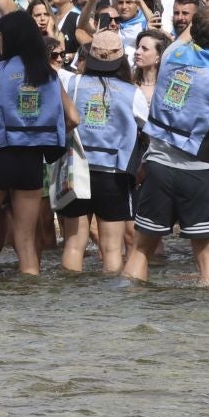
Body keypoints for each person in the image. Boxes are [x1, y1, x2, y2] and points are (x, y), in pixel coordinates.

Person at [123, 4, 209, 287]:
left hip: (157, 165)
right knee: (207, 260)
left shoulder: (169, 56)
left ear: (192, 30)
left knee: (141, 250)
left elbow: (184, 35)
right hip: (198, 172)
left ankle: (126, 313)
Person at [0, 11, 69, 273]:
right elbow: (72, 116)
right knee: (27, 241)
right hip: (33, 160)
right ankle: (31, 298)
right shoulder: (49, 73)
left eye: (0, 36)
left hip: (0, 157)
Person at [60, 28, 139, 273]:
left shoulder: (72, 83)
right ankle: (111, 306)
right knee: (112, 248)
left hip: (76, 170)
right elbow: (147, 131)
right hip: (113, 173)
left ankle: (70, 300)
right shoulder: (132, 93)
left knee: (74, 244)